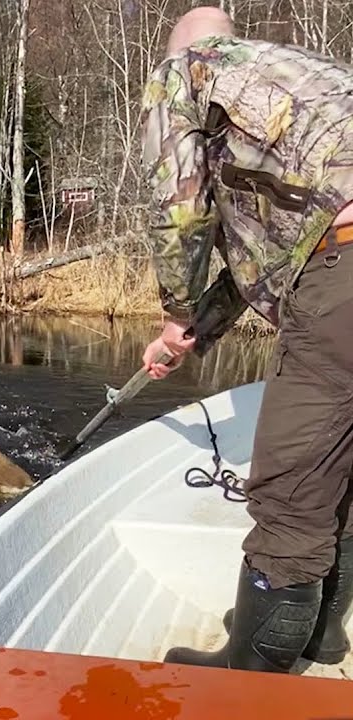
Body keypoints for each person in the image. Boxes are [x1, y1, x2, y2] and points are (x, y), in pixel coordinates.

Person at [138, 7, 353, 673]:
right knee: (342, 465)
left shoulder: (186, 73)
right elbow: (258, 261)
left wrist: (175, 308)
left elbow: (178, 211)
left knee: (291, 491)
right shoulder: (310, 84)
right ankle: (320, 633)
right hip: (336, 251)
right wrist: (191, 332)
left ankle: (252, 678)